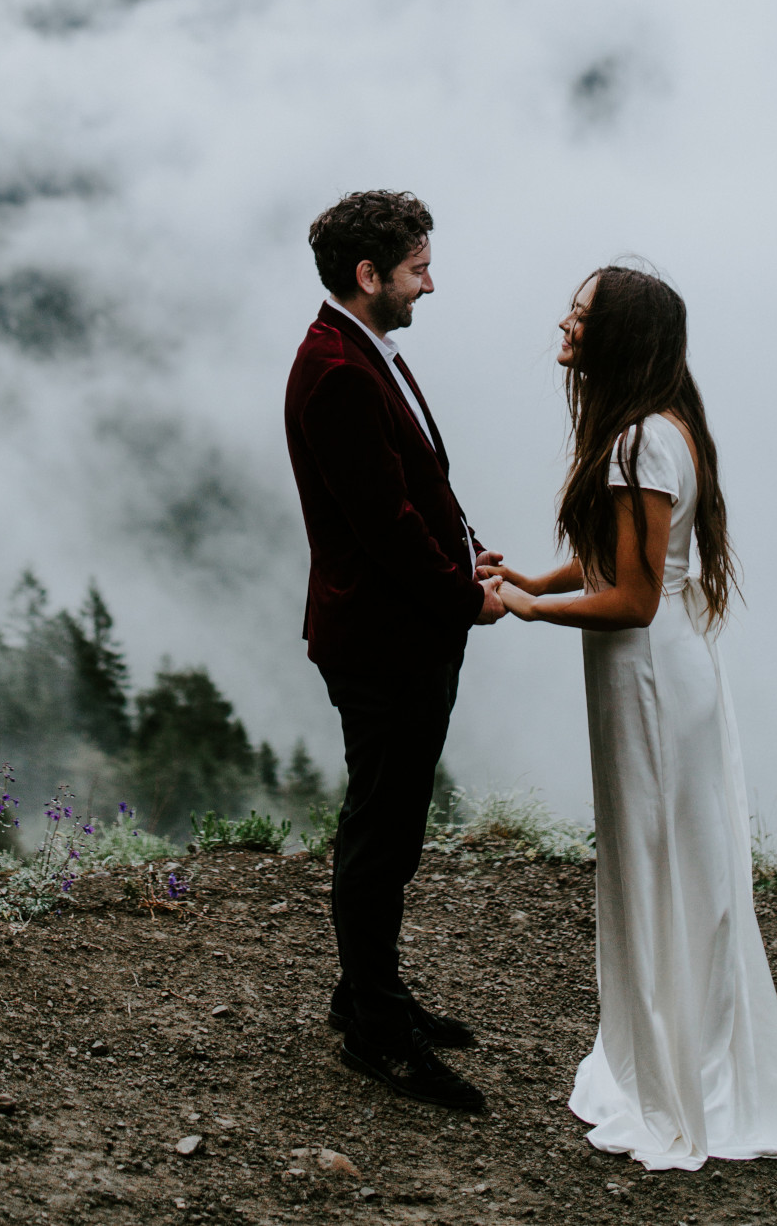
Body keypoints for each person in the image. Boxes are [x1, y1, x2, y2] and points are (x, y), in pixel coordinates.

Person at [482, 264, 777, 1171]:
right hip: (658, 672)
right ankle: (681, 1056)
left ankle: (685, 1078)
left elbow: (632, 598)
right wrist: (526, 576)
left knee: (660, 869)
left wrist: (528, 611)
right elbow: (611, 558)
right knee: (670, 868)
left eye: (582, 313)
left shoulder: (638, 441)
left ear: (620, 336)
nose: (565, 320)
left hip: (646, 677)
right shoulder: (662, 427)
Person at [284, 189, 506, 1113]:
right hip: (384, 640)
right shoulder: (336, 368)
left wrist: (466, 553)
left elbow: (415, 492)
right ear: (367, 275)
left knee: (392, 824)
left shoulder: (359, 349)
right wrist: (467, 597)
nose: (430, 283)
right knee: (382, 833)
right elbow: (381, 526)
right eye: (416, 267)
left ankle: (368, 993)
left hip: (398, 626)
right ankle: (375, 1028)